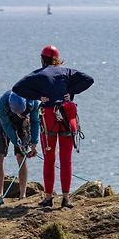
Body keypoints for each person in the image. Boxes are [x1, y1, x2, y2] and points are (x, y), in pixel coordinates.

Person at [12, 45, 94, 208]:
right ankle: (66, 198)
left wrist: (38, 97)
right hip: (66, 116)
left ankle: (48, 198)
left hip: (48, 117)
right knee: (66, 159)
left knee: (49, 159)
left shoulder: (38, 74)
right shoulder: (67, 72)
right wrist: (70, 92)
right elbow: (89, 80)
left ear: (42, 59)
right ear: (57, 59)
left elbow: (17, 88)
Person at [0, 90, 40, 202]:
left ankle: (22, 195)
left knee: (21, 157)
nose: (19, 114)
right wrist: (17, 142)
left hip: (23, 124)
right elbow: (6, 126)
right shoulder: (1, 103)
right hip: (4, 123)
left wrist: (34, 143)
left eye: (21, 112)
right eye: (17, 112)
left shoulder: (33, 102)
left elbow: (35, 121)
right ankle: (0, 195)